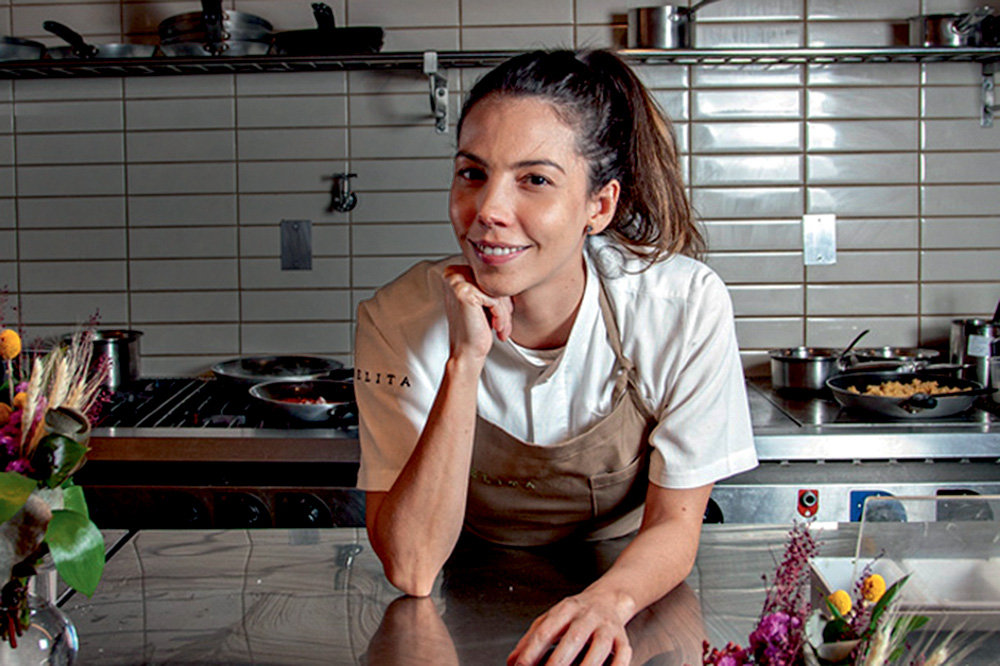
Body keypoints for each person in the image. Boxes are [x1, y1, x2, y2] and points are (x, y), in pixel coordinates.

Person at [354, 48, 757, 666]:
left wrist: (607, 602)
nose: (487, 210)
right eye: (472, 173)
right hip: (463, 588)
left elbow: (675, 524)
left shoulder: (680, 305)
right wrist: (465, 361)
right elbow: (411, 567)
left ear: (600, 206)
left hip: (634, 582)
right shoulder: (397, 320)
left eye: (534, 180)